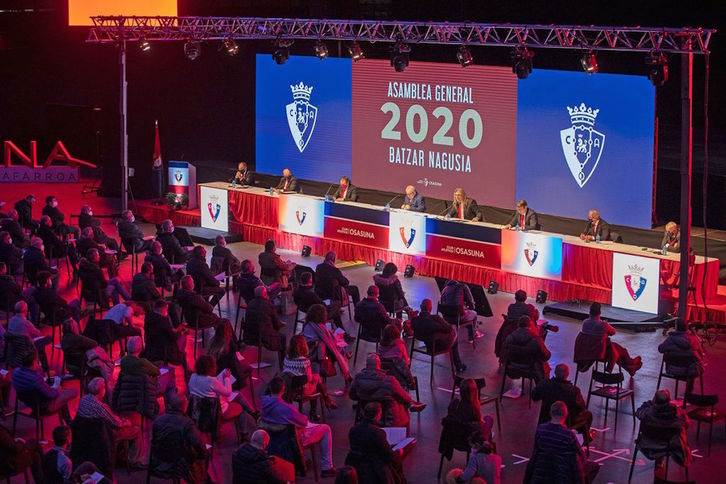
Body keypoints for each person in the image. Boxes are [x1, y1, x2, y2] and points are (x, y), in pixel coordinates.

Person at [260, 376, 337, 477]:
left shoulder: (263, 402)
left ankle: (301, 461)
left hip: (273, 437)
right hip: (290, 439)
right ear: (283, 389)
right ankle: (326, 467)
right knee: (325, 429)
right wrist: (303, 418)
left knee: (307, 424)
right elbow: (303, 422)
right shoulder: (287, 409)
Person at [524, 401, 600, 484]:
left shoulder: (540, 429)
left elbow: (535, 454)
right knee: (592, 466)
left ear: (550, 413)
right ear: (565, 415)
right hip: (561, 477)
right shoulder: (568, 435)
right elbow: (582, 457)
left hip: (540, 475)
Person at [76, 377, 143, 467]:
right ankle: (132, 460)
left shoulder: (83, 400)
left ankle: (121, 455)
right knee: (136, 429)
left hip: (87, 433)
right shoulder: (101, 407)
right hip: (102, 434)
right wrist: (126, 422)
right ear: (102, 390)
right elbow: (116, 423)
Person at [350, 354, 425, 428]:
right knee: (403, 402)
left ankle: (410, 405)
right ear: (379, 365)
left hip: (365, 414)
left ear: (366, 365)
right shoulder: (389, 381)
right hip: (388, 418)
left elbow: (352, 396)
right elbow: (405, 397)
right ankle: (406, 435)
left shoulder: (357, 378)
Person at [150, 394, 209, 484]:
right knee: (204, 450)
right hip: (179, 464)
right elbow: (198, 443)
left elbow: (155, 441)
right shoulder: (187, 423)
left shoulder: (157, 420)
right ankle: (201, 479)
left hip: (158, 460)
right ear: (184, 406)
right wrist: (203, 452)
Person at [635, 389, 692, 479]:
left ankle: (659, 459)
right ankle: (660, 458)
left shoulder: (647, 413)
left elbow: (638, 412)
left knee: (659, 435)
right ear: (669, 402)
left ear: (655, 401)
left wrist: (650, 404)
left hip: (648, 443)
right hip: (668, 445)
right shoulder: (677, 414)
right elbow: (687, 423)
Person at [12, 349, 77, 425]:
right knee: (74, 392)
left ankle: (69, 423)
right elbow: (50, 394)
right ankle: (70, 423)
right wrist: (57, 389)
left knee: (62, 396)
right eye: (37, 361)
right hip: (41, 406)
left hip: (27, 402)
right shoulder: (35, 378)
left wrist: (38, 369)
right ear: (33, 363)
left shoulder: (16, 371)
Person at [346, 402, 405, 484]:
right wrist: (398, 453)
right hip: (373, 468)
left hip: (355, 464)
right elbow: (388, 455)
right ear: (378, 415)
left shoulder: (353, 429)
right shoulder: (377, 433)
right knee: (396, 461)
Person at [532, 364, 593, 440]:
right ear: (567, 375)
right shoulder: (574, 391)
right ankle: (584, 438)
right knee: (588, 415)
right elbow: (581, 408)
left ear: (555, 372)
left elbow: (534, 396)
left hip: (545, 418)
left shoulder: (544, 384)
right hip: (566, 422)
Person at [582, 302, 642, 376]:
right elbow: (613, 332)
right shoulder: (603, 324)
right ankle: (631, 363)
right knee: (619, 351)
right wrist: (605, 324)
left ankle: (630, 368)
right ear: (600, 313)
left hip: (589, 351)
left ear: (589, 312)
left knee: (615, 350)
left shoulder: (584, 323)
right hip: (601, 353)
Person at [283, 334, 339, 411]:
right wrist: (317, 376)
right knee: (317, 382)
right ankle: (315, 410)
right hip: (301, 392)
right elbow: (309, 379)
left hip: (288, 389)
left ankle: (326, 400)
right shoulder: (304, 361)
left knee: (315, 376)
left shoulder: (286, 357)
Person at [411, 298, 466, 373]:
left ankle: (459, 365)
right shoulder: (435, 319)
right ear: (430, 308)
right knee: (454, 330)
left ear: (420, 307)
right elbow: (448, 329)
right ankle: (458, 365)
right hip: (435, 346)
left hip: (427, 343)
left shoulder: (415, 320)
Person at [302, 304, 352, 383]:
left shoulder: (308, 325)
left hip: (309, 349)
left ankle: (346, 360)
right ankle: (347, 375)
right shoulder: (320, 327)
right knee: (339, 348)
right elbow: (327, 341)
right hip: (317, 353)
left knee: (337, 345)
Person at [658, 318, 705, 397]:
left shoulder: (670, 339)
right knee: (695, 362)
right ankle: (688, 393)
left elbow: (660, 349)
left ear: (676, 327)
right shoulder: (693, 339)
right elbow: (701, 353)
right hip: (688, 371)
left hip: (671, 370)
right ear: (687, 327)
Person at [143, 299, 189, 376]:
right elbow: (173, 337)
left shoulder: (148, 318)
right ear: (162, 310)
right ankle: (186, 369)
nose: (167, 313)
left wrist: (173, 331)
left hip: (150, 347)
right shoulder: (162, 320)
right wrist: (180, 332)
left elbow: (163, 332)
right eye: (166, 310)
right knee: (183, 338)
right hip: (163, 349)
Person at [188, 355, 243, 420]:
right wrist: (227, 378)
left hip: (198, 411)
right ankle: (250, 421)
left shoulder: (192, 376)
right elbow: (228, 393)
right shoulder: (211, 380)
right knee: (239, 401)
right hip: (215, 411)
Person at [293, 271, 348, 336]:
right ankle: (343, 333)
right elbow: (322, 305)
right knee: (337, 303)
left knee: (336, 313)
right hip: (318, 313)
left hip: (304, 309)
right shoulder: (311, 295)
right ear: (310, 281)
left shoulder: (296, 292)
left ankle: (343, 332)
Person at [244, 286, 286, 368]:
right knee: (283, 337)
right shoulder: (269, 305)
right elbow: (277, 323)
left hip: (249, 336)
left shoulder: (250, 303)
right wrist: (280, 325)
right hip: (263, 337)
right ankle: (283, 363)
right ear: (264, 294)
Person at [207, 319, 253, 392]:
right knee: (249, 368)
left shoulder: (211, 342)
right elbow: (233, 367)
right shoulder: (228, 347)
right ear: (229, 330)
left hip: (214, 374)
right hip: (227, 376)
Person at [503, 316, 552, 383]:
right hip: (530, 370)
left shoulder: (510, 337)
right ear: (530, 326)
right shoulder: (536, 339)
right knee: (545, 367)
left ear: (518, 325)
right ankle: (541, 389)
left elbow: (504, 352)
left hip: (512, 367)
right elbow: (546, 356)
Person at [8, 301, 52, 374]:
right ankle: (45, 370)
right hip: (27, 347)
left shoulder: (11, 321)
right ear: (25, 311)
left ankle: (43, 368)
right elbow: (37, 333)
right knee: (47, 339)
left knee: (40, 344)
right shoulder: (26, 323)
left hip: (14, 348)